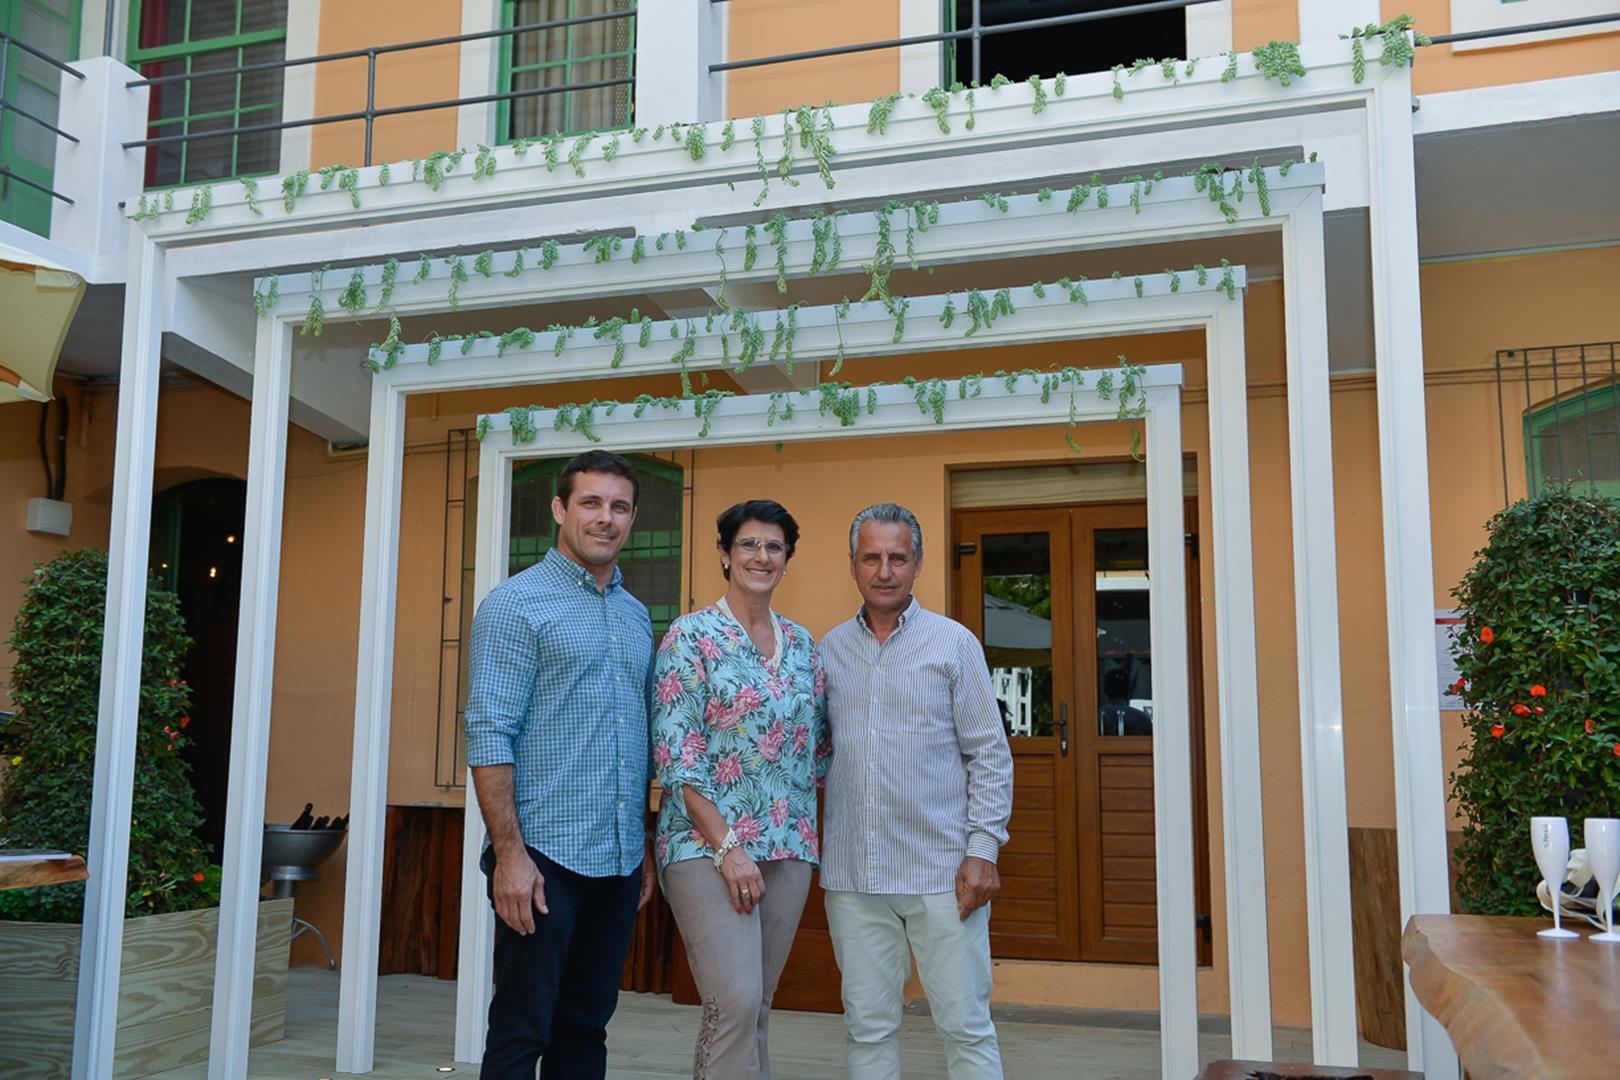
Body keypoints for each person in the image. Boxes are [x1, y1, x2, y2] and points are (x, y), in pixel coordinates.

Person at [463, 449, 658, 1080]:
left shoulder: (634, 617)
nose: (606, 518)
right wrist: (510, 856)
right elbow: (488, 731)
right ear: (559, 510)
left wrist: (646, 844)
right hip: (543, 859)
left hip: (620, 858)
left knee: (587, 1027)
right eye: (591, 503)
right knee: (524, 1027)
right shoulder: (515, 604)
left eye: (620, 506)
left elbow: (642, 739)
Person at [818, 502, 1015, 1080]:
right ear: (853, 565)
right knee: (868, 1030)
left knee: (966, 1027)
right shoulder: (827, 652)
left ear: (918, 563)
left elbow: (990, 754)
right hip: (856, 879)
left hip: (943, 876)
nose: (885, 570)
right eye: (871, 557)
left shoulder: (954, 645)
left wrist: (983, 852)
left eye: (897, 558)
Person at [651, 499, 831, 1079]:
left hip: (789, 845)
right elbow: (679, 760)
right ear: (724, 553)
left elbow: (818, 749)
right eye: (748, 544)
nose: (761, 556)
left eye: (774, 546)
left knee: (758, 1007)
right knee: (733, 1001)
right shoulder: (690, 636)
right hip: (707, 846)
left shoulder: (803, 645)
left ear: (787, 559)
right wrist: (729, 849)